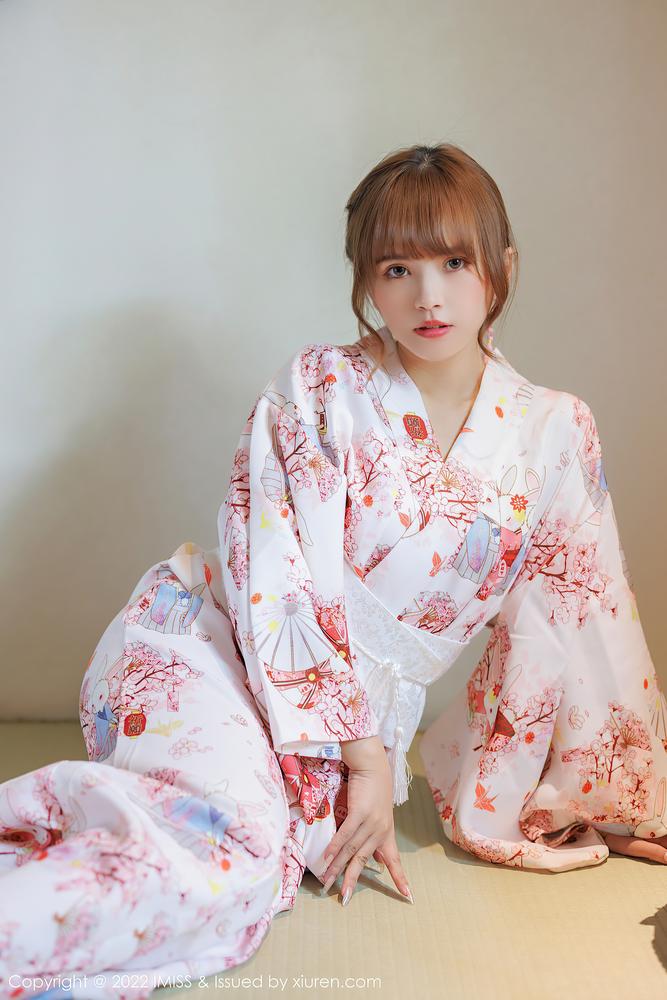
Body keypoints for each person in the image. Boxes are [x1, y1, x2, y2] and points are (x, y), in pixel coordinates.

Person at [2, 142, 666, 998]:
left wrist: (611, 795)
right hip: (206, 654)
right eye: (396, 268)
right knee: (230, 858)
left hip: (347, 729)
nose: (427, 297)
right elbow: (277, 582)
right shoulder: (318, 387)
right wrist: (366, 761)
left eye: (454, 262)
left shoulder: (554, 430)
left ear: (502, 266)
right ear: (365, 280)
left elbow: (578, 617)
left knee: (251, 864)